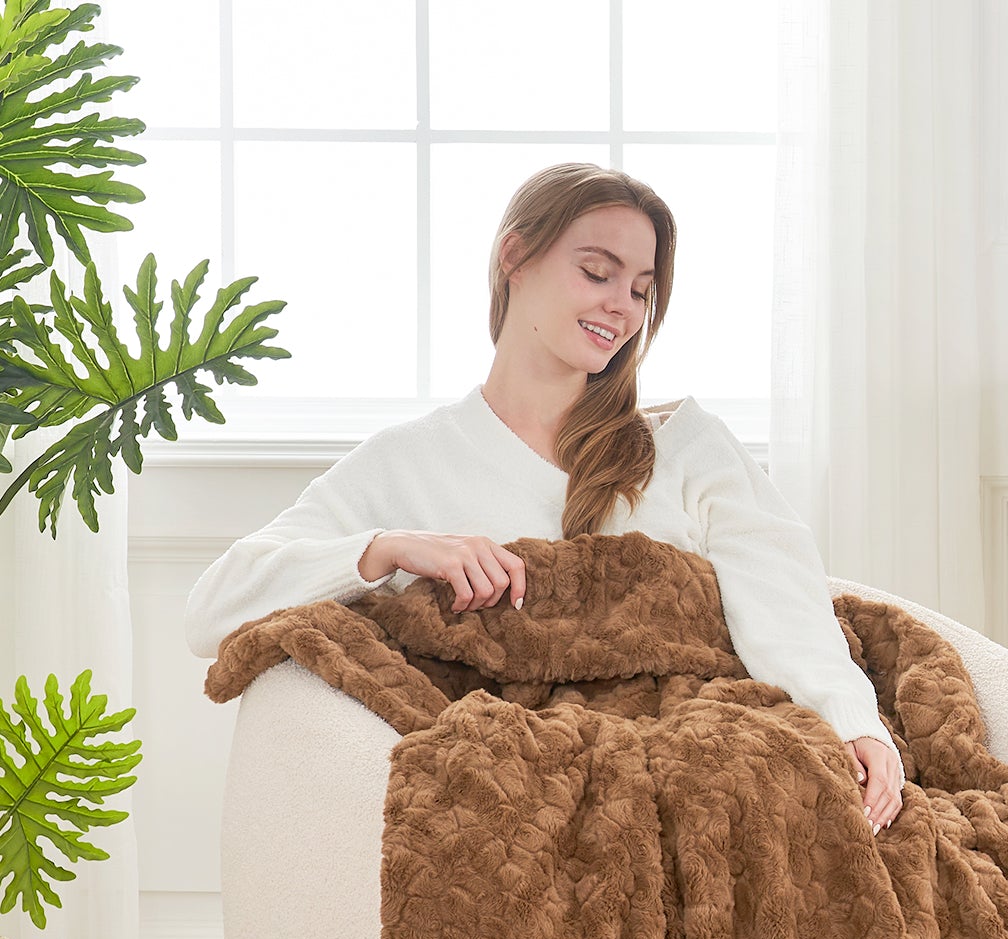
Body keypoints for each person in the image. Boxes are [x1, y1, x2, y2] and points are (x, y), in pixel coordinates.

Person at [184, 161, 904, 833]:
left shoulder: (684, 446)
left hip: (711, 777)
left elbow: (783, 598)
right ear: (514, 259)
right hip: (522, 802)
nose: (621, 307)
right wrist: (384, 549)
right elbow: (213, 610)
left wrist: (852, 720)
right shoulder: (406, 465)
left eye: (641, 290)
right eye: (598, 272)